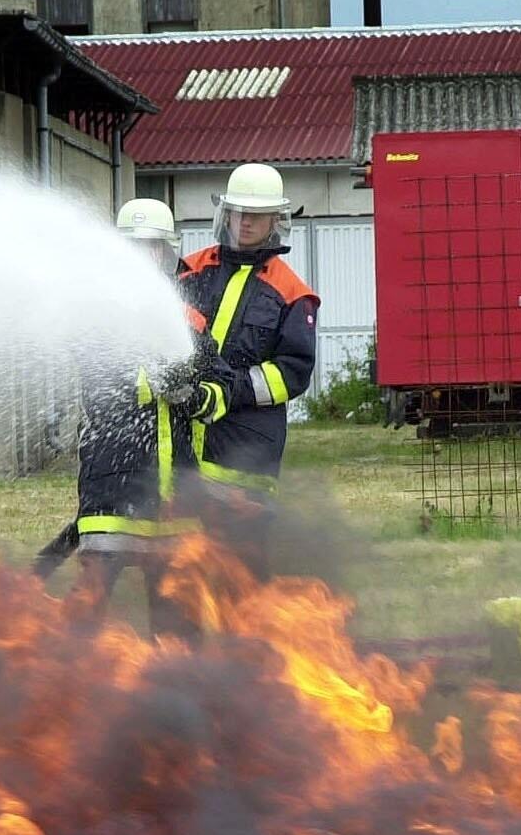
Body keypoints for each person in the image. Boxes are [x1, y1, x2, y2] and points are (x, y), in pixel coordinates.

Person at [40, 197, 204, 638]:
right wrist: (160, 380)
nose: (143, 256)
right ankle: (67, 695)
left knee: (177, 623)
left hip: (174, 492)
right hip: (112, 486)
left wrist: (200, 392)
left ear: (167, 252)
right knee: (89, 613)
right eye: (134, 246)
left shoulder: (186, 317)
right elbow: (102, 378)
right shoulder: (95, 312)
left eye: (152, 246)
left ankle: (179, 699)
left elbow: (213, 379)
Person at [177, 162, 318, 578]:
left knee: (241, 570)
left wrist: (227, 390)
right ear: (225, 213)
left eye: (256, 214)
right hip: (185, 450)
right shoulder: (190, 269)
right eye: (238, 212)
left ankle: (249, 642)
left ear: (277, 219)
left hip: (246, 453)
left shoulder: (293, 293)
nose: (245, 221)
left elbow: (292, 373)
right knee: (184, 569)